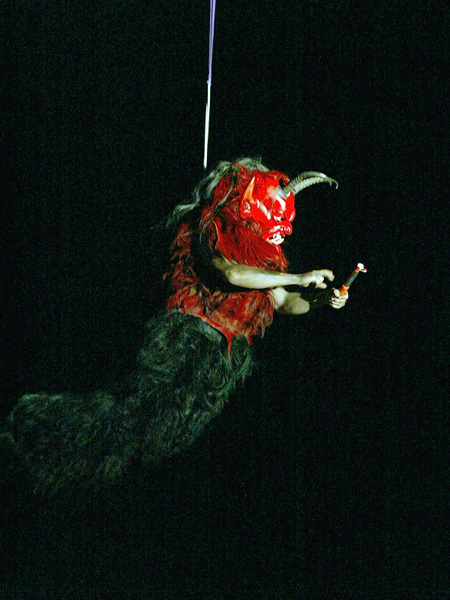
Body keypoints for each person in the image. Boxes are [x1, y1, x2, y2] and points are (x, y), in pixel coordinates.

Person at [5, 158, 348, 493]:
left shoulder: (264, 261)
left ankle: (45, 461)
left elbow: (284, 302)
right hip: (190, 341)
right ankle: (31, 435)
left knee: (154, 438)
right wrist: (297, 277)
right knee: (130, 418)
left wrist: (321, 298)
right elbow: (231, 273)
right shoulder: (209, 228)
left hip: (222, 360)